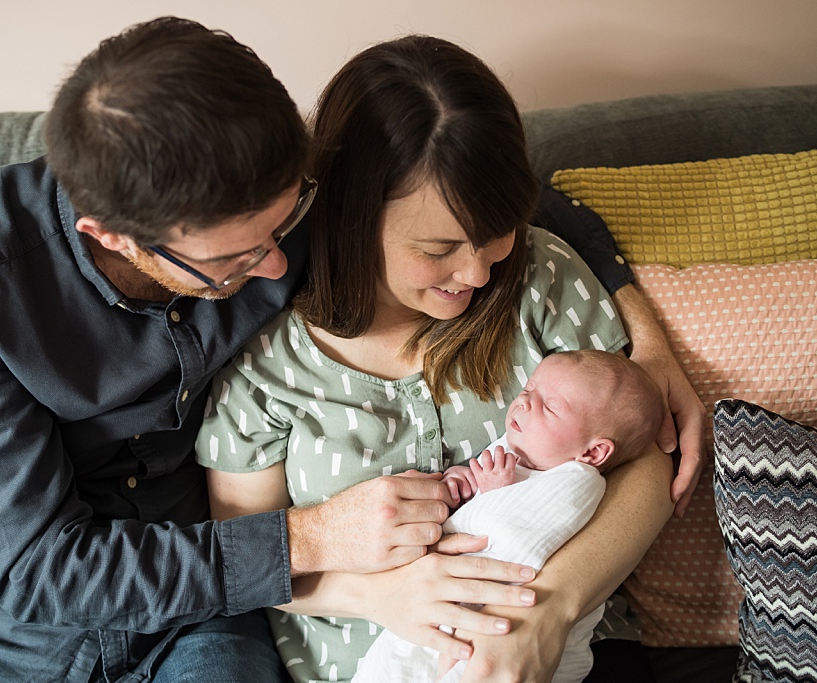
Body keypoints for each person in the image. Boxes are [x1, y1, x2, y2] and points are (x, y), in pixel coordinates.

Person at [0, 16, 702, 683]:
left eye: (290, 221)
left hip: (195, 629)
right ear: (111, 236)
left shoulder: (278, 199)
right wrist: (316, 535)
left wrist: (652, 348)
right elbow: (45, 574)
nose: (275, 269)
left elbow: (486, 194)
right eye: (234, 261)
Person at [197, 35, 685, 683]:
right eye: (439, 247)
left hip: (570, 649)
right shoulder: (269, 368)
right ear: (351, 217)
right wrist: (380, 596)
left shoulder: (541, 279)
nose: (479, 270)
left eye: (495, 232)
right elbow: (244, 558)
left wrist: (551, 611)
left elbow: (640, 460)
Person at [353, 349, 665, 683]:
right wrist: (461, 486)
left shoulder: (577, 483)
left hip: (505, 627)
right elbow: (473, 505)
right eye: (528, 389)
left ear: (592, 452)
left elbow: (516, 539)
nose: (525, 402)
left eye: (549, 405)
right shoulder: (521, 450)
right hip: (432, 605)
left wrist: (496, 494)